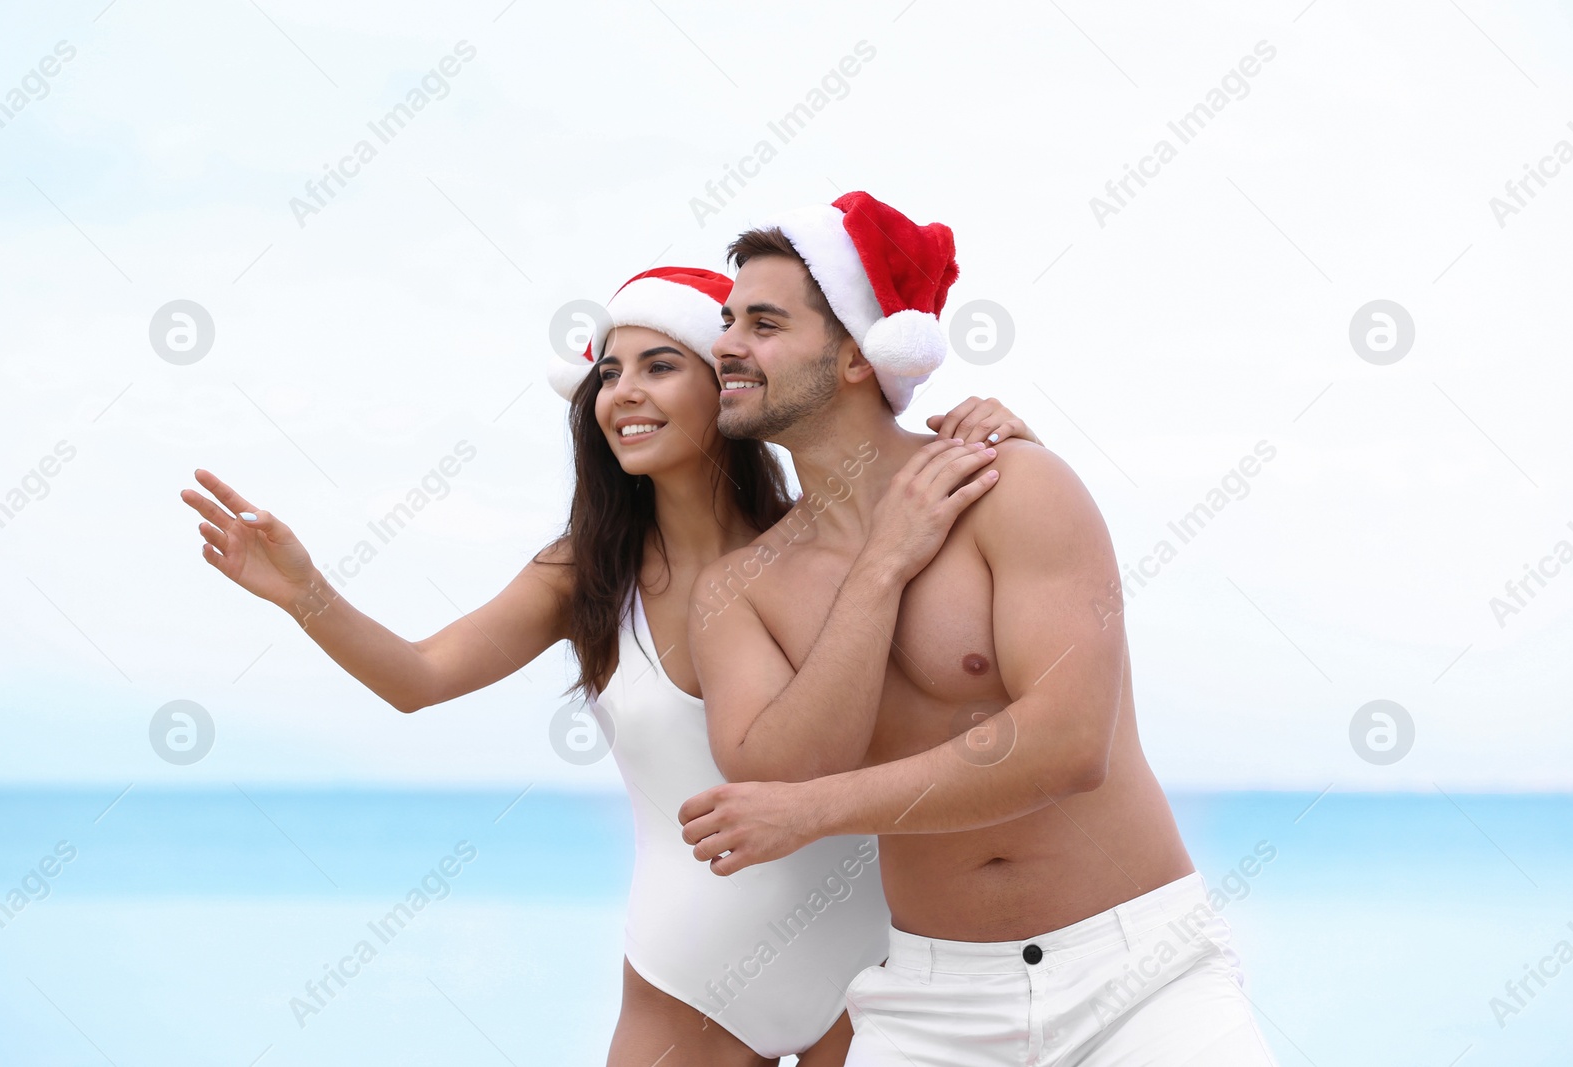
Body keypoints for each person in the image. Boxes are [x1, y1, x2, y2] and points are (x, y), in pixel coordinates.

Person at [179, 263, 1042, 1067]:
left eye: (659, 366)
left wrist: (1009, 439)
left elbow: (977, 639)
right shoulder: (585, 572)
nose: (622, 391)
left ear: (729, 384)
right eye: (609, 372)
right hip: (690, 979)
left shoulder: (841, 539)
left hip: (882, 964)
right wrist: (305, 594)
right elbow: (418, 677)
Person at [678, 192, 1280, 1065]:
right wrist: (881, 567)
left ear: (858, 354)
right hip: (933, 999)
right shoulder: (738, 592)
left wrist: (812, 810)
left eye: (762, 323)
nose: (726, 343)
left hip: (1141, 974)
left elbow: (1068, 744)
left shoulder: (1018, 487)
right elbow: (774, 773)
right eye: (728, 320)